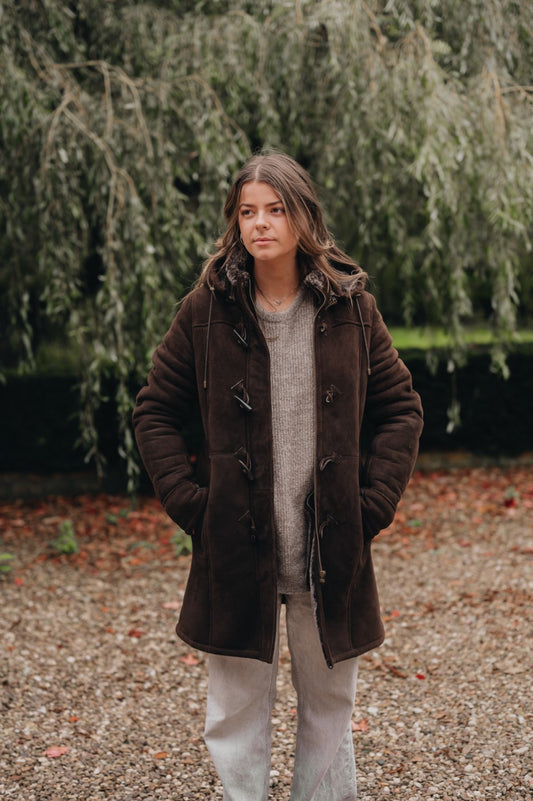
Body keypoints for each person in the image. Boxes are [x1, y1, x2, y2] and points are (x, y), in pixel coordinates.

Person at [132, 151, 423, 801]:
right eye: (246, 212)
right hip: (236, 548)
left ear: (302, 216)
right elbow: (154, 410)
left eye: (274, 209)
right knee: (234, 714)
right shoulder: (204, 311)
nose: (259, 223)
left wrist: (372, 500)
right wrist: (190, 503)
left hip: (331, 547)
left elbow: (400, 409)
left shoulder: (352, 308)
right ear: (234, 223)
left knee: (328, 708)